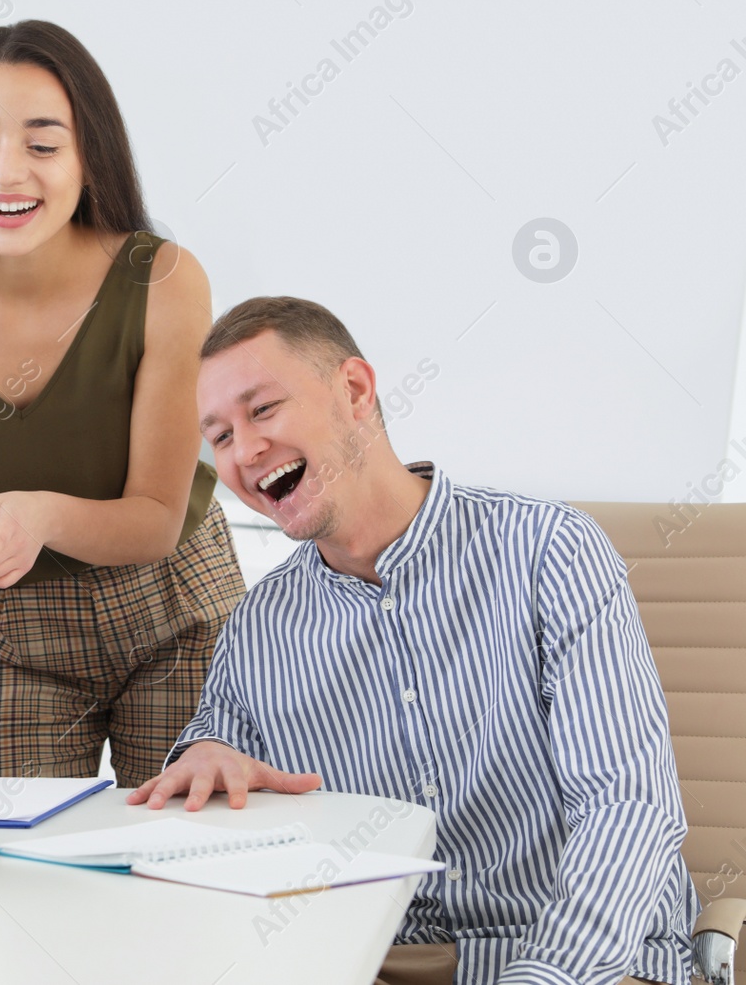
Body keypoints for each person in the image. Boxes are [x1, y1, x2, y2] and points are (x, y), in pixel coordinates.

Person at [129, 296, 696, 984]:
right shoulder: (259, 624)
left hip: (579, 961)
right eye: (217, 436)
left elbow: (627, 806)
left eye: (263, 410)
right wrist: (206, 751)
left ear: (356, 390)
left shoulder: (549, 552)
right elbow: (213, 741)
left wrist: (547, 975)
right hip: (373, 962)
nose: (244, 452)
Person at [0, 20, 246, 789]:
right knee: (9, 865)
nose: (6, 174)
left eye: (43, 144)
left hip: (177, 610)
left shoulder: (164, 281)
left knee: (185, 855)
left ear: (88, 156)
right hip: (11, 628)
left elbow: (158, 514)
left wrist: (45, 516)